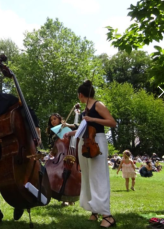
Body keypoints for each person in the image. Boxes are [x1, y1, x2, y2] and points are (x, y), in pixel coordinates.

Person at [0, 73, 41, 225]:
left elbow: (27, 110)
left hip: (12, 145)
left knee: (15, 177)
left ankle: (20, 203)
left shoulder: (9, 99)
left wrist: (35, 126)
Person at [64, 80, 117, 228]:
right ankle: (95, 209)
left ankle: (108, 216)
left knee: (98, 177)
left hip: (97, 142)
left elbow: (112, 122)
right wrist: (71, 133)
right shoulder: (84, 110)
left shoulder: (98, 105)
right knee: (87, 177)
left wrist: (92, 119)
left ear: (81, 94)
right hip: (84, 142)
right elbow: (83, 127)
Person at [45, 113, 79, 206]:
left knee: (70, 176)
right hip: (60, 156)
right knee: (59, 175)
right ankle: (64, 198)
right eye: (51, 120)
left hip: (71, 154)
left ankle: (70, 197)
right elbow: (55, 147)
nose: (53, 121)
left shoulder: (66, 127)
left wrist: (69, 124)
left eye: (55, 119)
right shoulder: (53, 132)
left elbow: (79, 127)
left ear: (60, 119)